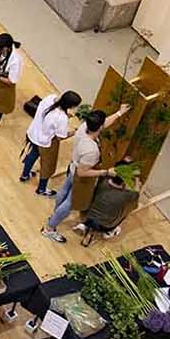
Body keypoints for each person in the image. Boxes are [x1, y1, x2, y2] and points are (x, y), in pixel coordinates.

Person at [42, 103, 131, 242]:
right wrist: (106, 172)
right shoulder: (91, 151)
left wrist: (119, 113)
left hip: (73, 168)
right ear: (99, 127)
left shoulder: (84, 128)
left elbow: (104, 124)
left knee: (63, 192)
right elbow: (82, 172)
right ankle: (49, 228)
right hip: (80, 178)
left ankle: (54, 215)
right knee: (70, 203)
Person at [21, 90, 82, 195]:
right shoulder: (61, 118)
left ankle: (25, 175)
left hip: (34, 133)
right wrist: (74, 132)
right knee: (47, 166)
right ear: (70, 106)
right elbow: (60, 137)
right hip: (46, 142)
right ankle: (41, 189)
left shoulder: (50, 98)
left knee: (32, 155)